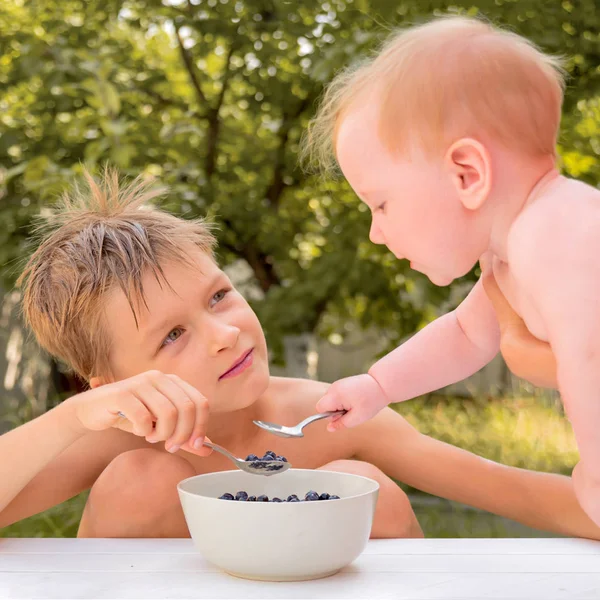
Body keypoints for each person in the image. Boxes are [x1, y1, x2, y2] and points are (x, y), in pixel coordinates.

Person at [1, 168, 599, 541]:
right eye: (172, 335)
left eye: (219, 297)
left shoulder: (328, 418)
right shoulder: (120, 443)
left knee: (361, 486)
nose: (223, 334)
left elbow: (510, 490)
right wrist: (74, 416)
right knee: (144, 481)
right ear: (109, 381)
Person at [304, 14, 600, 526]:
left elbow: (590, 359)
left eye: (380, 204)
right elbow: (465, 335)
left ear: (467, 174)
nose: (375, 232)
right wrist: (380, 385)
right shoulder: (509, 255)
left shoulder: (552, 232)